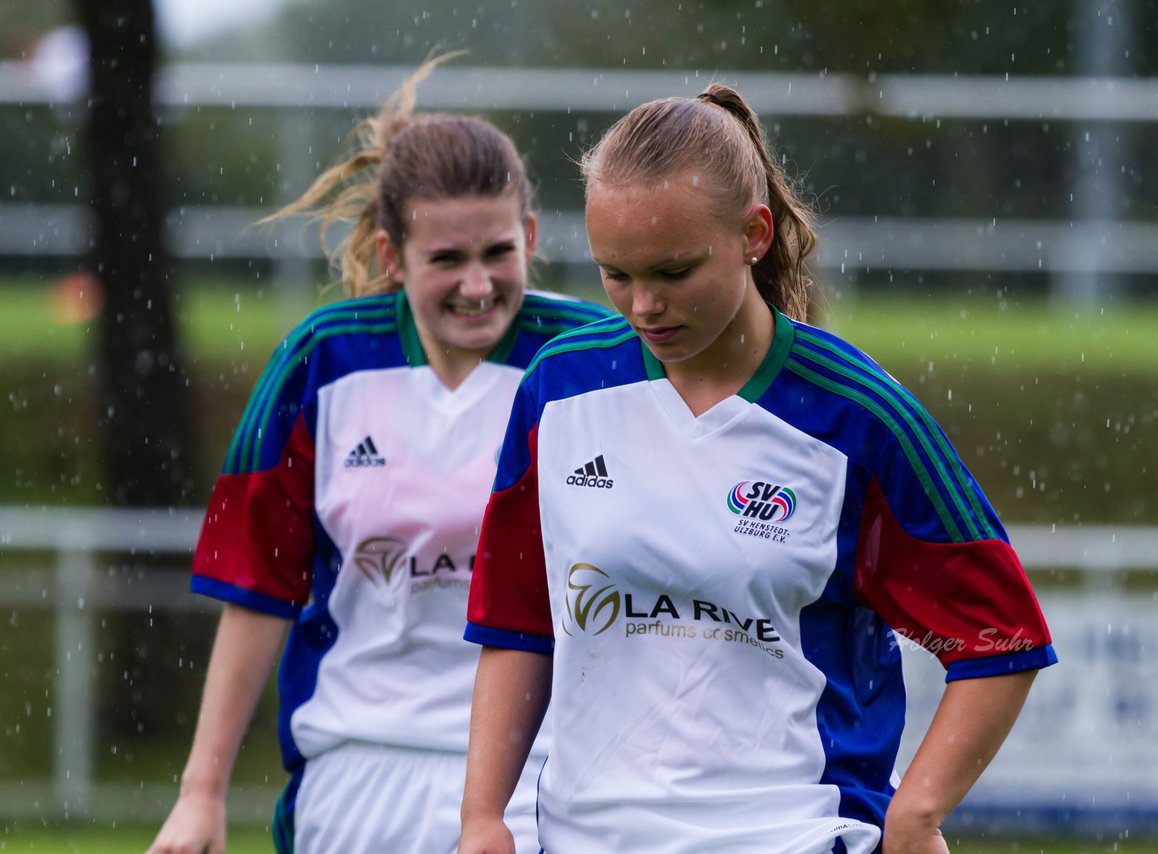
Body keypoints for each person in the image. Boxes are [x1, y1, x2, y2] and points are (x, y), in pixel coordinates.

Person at [458, 83, 1057, 854]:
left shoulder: (858, 417)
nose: (642, 305)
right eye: (616, 273)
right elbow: (516, 622)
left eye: (673, 272)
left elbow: (1000, 638)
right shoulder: (558, 390)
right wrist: (482, 818)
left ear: (754, 234)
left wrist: (916, 813)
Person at [148, 55, 613, 854]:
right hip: (358, 774)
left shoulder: (595, 362)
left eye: (498, 252)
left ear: (531, 236)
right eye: (445, 260)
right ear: (392, 257)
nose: (477, 285)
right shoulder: (321, 362)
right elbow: (256, 585)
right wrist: (201, 793)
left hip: (544, 779)